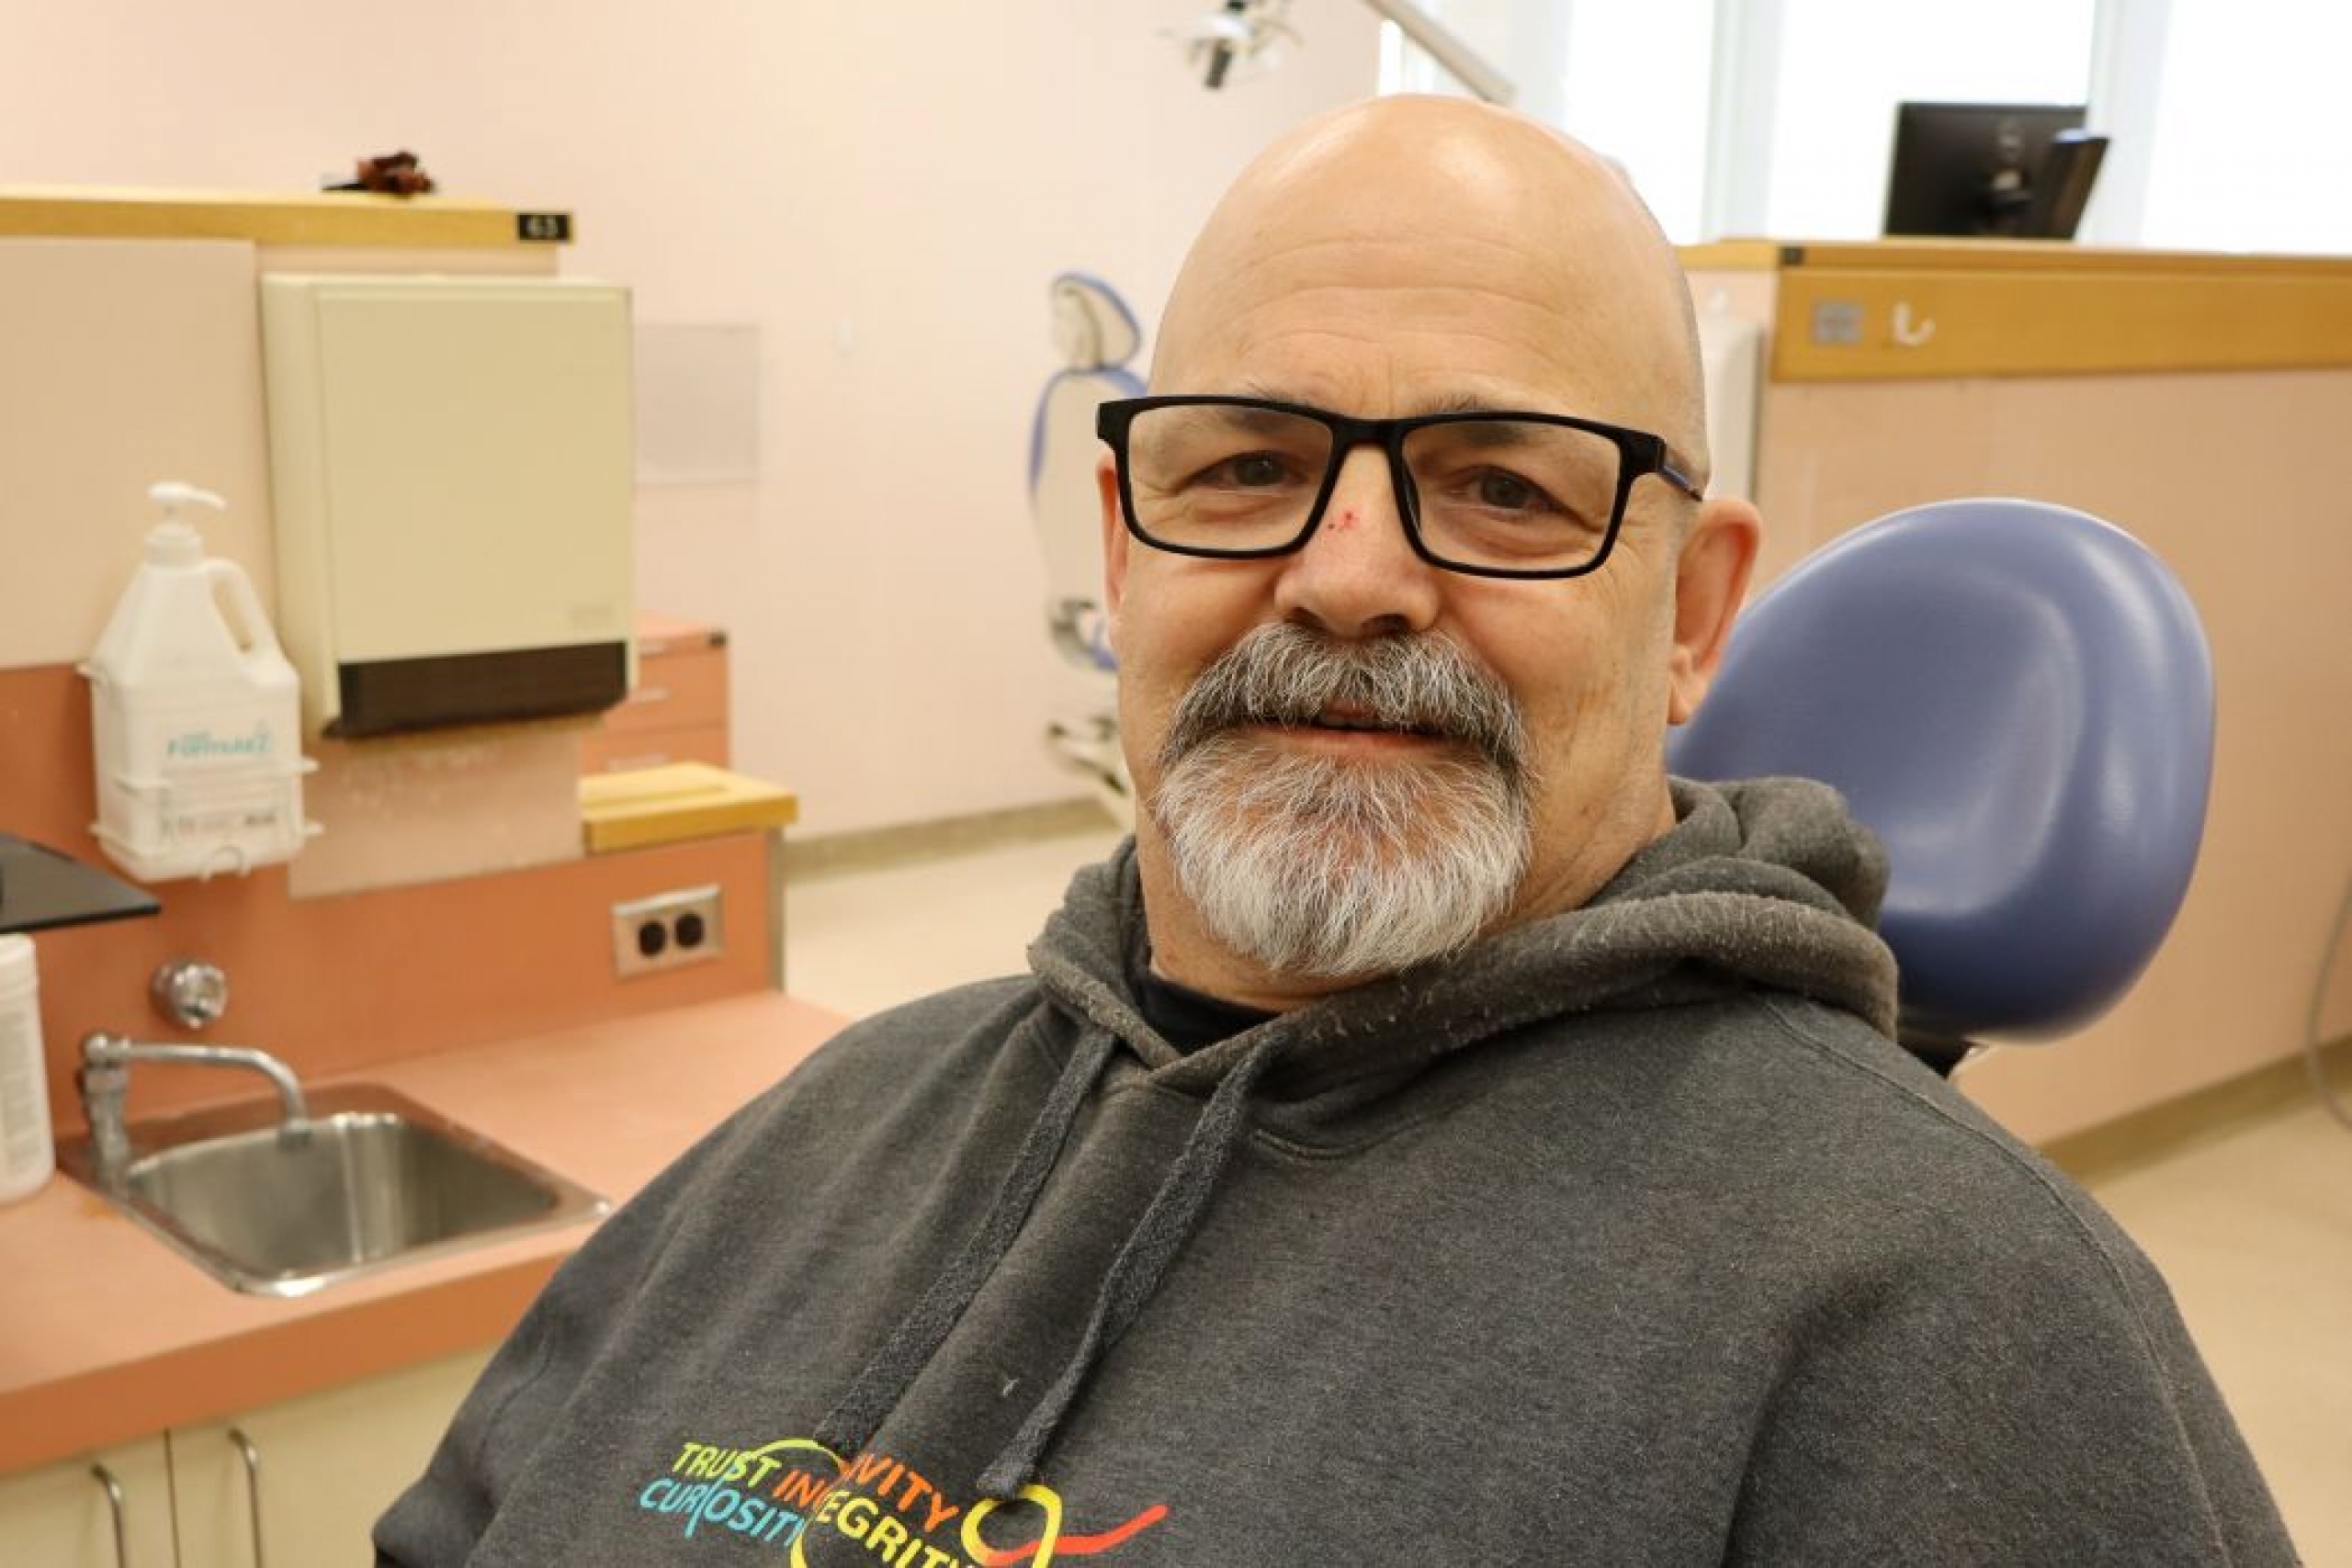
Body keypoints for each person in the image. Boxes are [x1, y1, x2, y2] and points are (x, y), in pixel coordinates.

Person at [378, 97, 2295, 1565]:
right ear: (1124, 554)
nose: (1345, 573)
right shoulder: (826, 1126)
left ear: (1692, 613)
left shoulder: (1937, 1309)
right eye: (1248, 467)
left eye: (1498, 483)